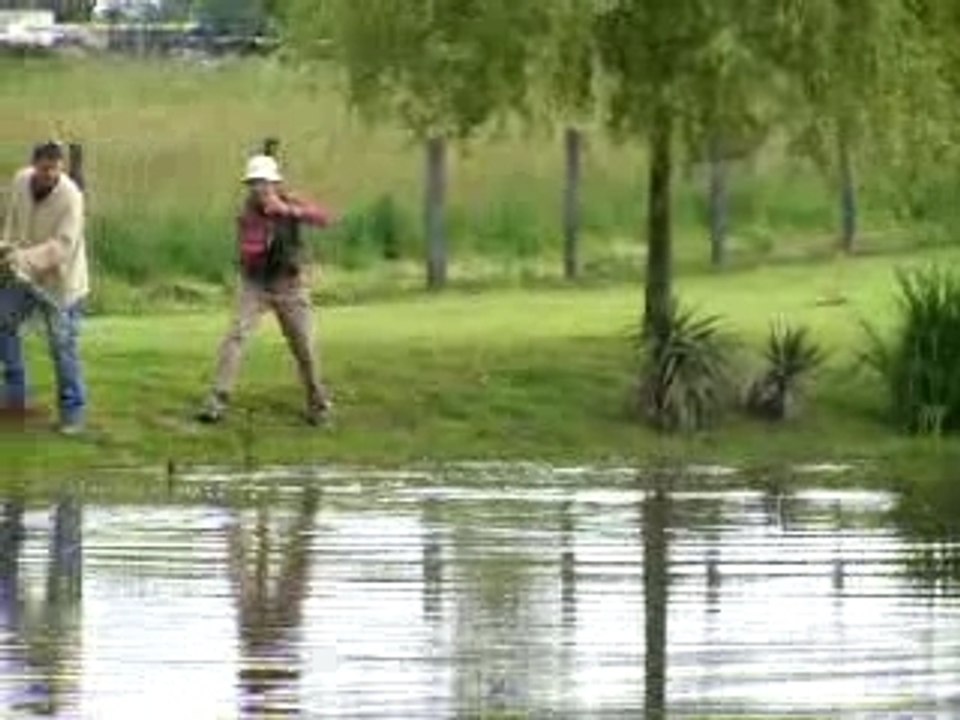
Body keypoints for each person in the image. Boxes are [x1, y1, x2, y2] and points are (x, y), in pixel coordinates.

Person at [197, 153, 334, 426]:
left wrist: (287, 211)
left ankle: (317, 404)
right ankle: (217, 400)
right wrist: (268, 226)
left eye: (263, 182)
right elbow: (252, 250)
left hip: (290, 285)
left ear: (275, 183)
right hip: (255, 284)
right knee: (236, 337)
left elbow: (323, 218)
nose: (259, 189)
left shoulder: (291, 201)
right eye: (254, 183)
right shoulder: (247, 215)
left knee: (304, 344)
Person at [0, 142, 89, 435]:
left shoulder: (71, 198)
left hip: (61, 285)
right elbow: (12, 221)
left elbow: (61, 247)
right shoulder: (20, 180)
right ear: (34, 165)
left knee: (62, 348)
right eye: (44, 168)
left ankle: (72, 414)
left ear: (61, 167)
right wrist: (6, 248)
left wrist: (20, 257)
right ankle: (15, 397)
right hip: (22, 276)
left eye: (55, 169)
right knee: (2, 322)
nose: (50, 174)